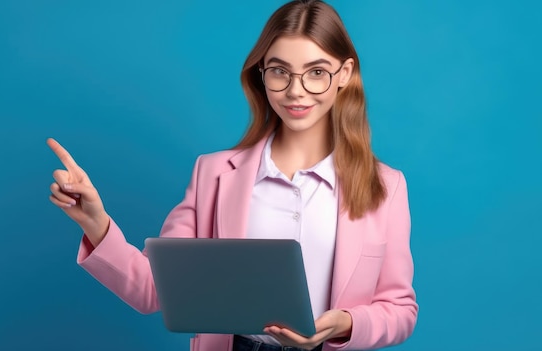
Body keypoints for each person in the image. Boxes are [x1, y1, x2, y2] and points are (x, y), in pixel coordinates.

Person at [47, 0, 418, 350]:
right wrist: (97, 224)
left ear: (344, 74)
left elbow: (400, 309)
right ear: (261, 74)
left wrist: (347, 323)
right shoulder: (212, 175)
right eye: (279, 71)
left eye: (317, 72)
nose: (296, 90)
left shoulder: (387, 187)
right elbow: (153, 291)